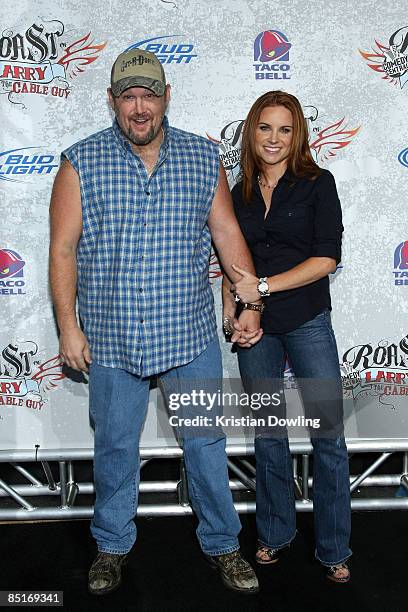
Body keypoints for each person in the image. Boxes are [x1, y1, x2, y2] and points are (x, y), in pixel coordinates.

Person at [49, 48, 264, 596]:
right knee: (115, 446)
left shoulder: (201, 157)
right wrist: (68, 329)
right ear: (113, 102)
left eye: (149, 94)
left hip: (189, 337)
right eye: (128, 96)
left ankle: (223, 544)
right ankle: (111, 545)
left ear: (167, 97)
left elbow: (229, 238)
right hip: (113, 338)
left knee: (206, 444)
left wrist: (250, 302)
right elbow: (63, 250)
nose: (139, 107)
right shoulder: (80, 162)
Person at [222, 91, 352, 583]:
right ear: (251, 132)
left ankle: (334, 546)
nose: (274, 139)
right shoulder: (239, 193)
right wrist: (233, 315)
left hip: (307, 320)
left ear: (297, 135)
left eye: (284, 129)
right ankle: (274, 534)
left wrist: (263, 287)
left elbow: (326, 260)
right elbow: (231, 266)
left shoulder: (319, 184)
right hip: (256, 331)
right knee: (268, 436)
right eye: (265, 128)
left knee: (329, 436)